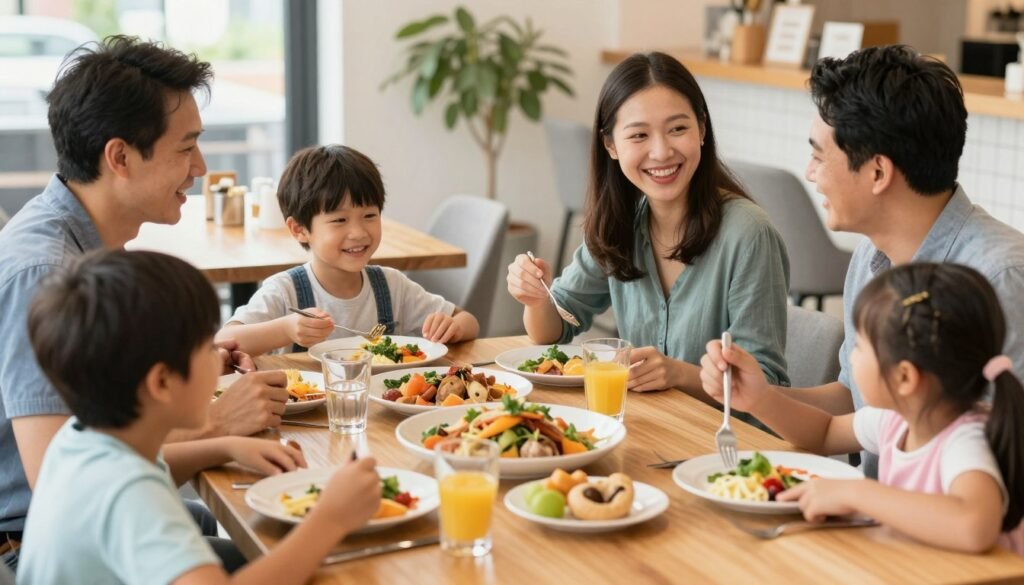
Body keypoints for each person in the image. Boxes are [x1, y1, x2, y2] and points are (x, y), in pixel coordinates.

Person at [0, 36, 289, 571]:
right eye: (186, 147)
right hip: (34, 547)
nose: (200, 167)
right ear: (120, 156)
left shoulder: (86, 242)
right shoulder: (46, 271)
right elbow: (57, 477)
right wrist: (217, 422)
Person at [700, 45, 1024, 476]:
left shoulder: (1001, 279)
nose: (810, 172)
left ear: (877, 173)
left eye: (819, 155)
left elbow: (1003, 470)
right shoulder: (873, 254)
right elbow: (852, 404)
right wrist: (756, 394)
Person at [17, 249, 382, 584]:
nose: (223, 354)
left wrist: (225, 448)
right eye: (208, 348)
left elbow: (155, 464)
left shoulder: (82, 436)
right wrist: (330, 519)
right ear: (161, 381)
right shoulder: (130, 495)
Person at [507, 52, 789, 397]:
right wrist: (536, 299)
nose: (661, 152)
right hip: (651, 428)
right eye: (639, 135)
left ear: (702, 128)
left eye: (678, 129)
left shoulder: (748, 234)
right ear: (610, 144)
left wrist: (679, 374)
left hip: (728, 444)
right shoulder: (622, 222)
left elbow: (767, 383)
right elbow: (552, 331)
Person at [702, 263, 1024, 555]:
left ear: (904, 376)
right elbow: (824, 433)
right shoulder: (896, 421)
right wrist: (759, 399)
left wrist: (858, 494)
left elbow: (974, 526)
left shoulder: (964, 440)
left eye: (860, 347)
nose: (851, 358)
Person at [218, 144, 480, 355]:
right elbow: (224, 341)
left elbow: (469, 321)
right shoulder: (284, 292)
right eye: (339, 220)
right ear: (299, 229)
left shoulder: (392, 286)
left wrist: (452, 327)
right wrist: (286, 329)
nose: (358, 232)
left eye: (369, 215)